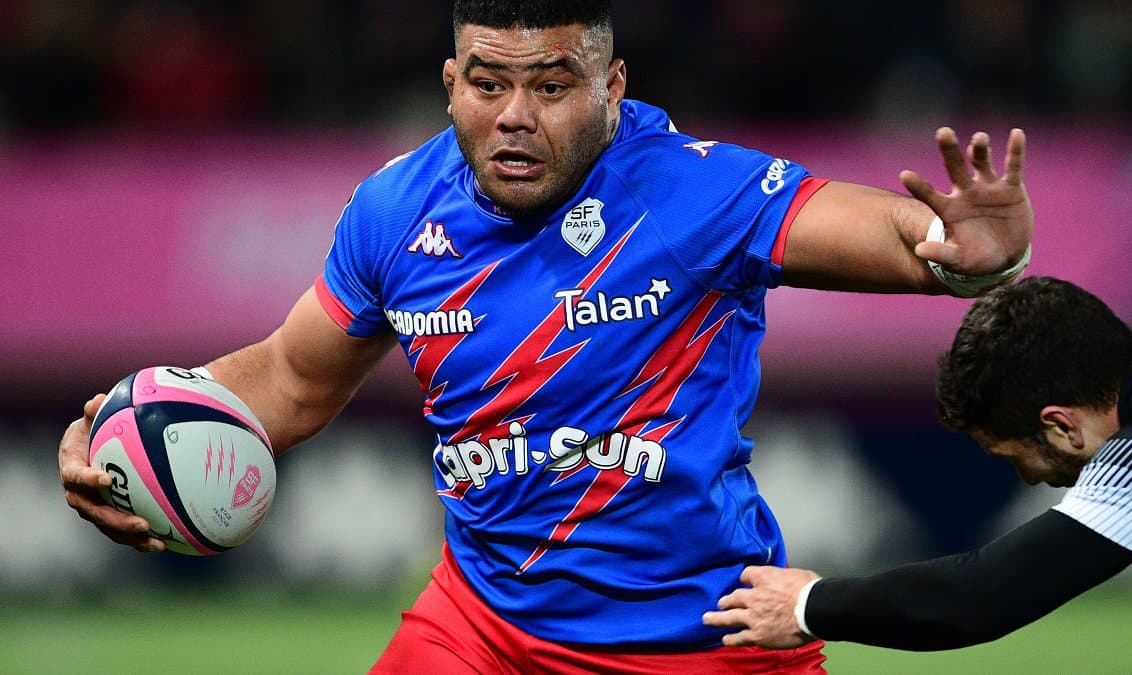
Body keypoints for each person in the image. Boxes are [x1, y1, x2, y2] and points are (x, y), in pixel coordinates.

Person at [58, 1, 1033, 672]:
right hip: (480, 630)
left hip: (698, 639)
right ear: (451, 83)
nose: (515, 117)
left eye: (552, 86)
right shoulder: (395, 211)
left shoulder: (691, 190)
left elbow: (892, 236)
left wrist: (971, 254)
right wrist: (132, 434)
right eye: (488, 84)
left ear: (611, 85)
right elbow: (288, 381)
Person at [703, 276, 1132, 652]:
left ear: (1061, 426)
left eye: (1015, 457)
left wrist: (807, 605)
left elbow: (981, 597)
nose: (1033, 480)